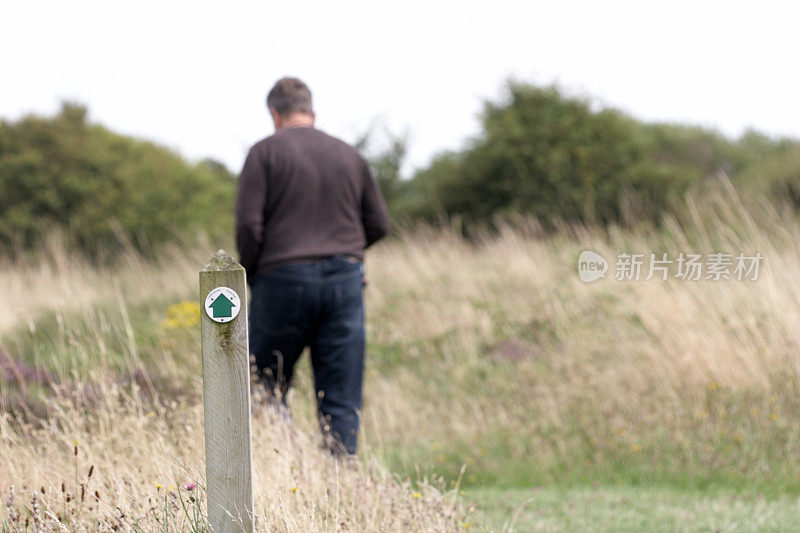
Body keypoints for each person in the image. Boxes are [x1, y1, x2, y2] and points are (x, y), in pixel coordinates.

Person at [235, 77, 390, 455]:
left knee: (266, 387)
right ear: (312, 112)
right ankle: (339, 487)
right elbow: (380, 223)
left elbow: (248, 226)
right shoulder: (348, 154)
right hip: (344, 283)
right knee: (340, 395)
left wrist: (255, 272)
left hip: (280, 280)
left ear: (274, 114)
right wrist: (349, 253)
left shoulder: (263, 153)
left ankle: (286, 472)